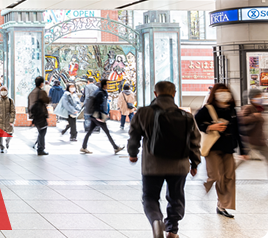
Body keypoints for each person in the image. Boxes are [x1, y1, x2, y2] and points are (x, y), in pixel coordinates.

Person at [128, 81, 201, 238]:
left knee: (150, 197)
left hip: (152, 165)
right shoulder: (187, 116)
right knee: (176, 197)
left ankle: (156, 220)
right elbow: (195, 141)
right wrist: (195, 162)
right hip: (179, 165)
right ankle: (172, 231)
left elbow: (133, 135)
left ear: (155, 93)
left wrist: (133, 153)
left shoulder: (143, 112)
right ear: (174, 94)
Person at [195, 83, 248, 218]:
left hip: (228, 147)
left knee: (229, 177)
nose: (223, 94)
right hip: (213, 147)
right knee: (215, 176)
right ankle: (205, 188)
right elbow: (197, 121)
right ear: (214, 94)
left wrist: (243, 149)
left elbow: (237, 130)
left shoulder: (232, 110)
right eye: (220, 91)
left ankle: (222, 206)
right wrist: (210, 127)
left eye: (226, 91)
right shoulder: (208, 109)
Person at [80, 79, 125, 155]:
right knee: (107, 132)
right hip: (98, 116)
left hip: (94, 116)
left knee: (90, 132)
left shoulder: (101, 92)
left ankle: (84, 147)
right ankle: (115, 147)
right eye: (107, 84)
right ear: (104, 85)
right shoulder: (100, 93)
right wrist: (101, 116)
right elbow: (98, 105)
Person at [239, 89, 268, 173]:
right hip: (248, 141)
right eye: (258, 96)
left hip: (258, 141)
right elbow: (241, 120)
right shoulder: (248, 107)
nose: (260, 98)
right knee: (239, 161)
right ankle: (223, 177)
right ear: (252, 98)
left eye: (260, 96)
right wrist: (254, 116)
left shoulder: (259, 108)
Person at [28, 76, 50, 156]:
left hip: (34, 115)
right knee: (42, 131)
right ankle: (40, 149)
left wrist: (30, 116)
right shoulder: (41, 92)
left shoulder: (31, 93)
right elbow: (47, 100)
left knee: (40, 130)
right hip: (41, 114)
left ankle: (38, 145)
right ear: (41, 83)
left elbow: (29, 105)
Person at [0, 86, 16, 153]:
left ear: (7, 91)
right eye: (2, 90)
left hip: (8, 120)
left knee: (10, 133)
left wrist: (12, 120)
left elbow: (13, 111)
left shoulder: (10, 101)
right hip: (0, 121)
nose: (3, 91)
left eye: (4, 90)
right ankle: (1, 147)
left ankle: (7, 141)